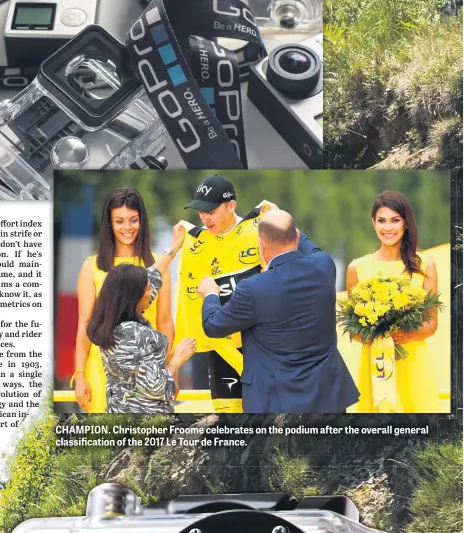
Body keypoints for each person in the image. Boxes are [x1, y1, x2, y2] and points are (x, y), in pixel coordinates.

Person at [199, 210, 359, 413]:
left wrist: (211, 295)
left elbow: (213, 325)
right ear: (297, 236)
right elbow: (311, 248)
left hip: (275, 403)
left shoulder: (253, 289)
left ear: (262, 244)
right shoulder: (324, 266)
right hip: (327, 397)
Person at [174, 175, 273, 413]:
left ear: (231, 205)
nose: (205, 217)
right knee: (229, 425)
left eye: (211, 210)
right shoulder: (196, 244)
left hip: (261, 345)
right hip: (222, 349)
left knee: (269, 420)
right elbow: (187, 300)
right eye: (200, 211)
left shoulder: (260, 230)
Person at [73, 188, 176, 413]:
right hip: (102, 368)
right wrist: (79, 375)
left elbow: (165, 320)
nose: (127, 228)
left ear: (142, 221)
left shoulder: (159, 264)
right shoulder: (92, 267)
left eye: (133, 220)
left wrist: (168, 368)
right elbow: (84, 325)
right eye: (119, 221)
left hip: (147, 371)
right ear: (109, 223)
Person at [347, 191, 439, 413]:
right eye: (382, 221)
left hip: (414, 362)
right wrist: (376, 334)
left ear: (406, 223)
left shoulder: (425, 265)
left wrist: (403, 335)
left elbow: (431, 324)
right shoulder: (356, 268)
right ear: (373, 223)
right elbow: (353, 329)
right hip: (374, 365)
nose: (388, 228)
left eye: (395, 220)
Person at [86, 243, 196, 413]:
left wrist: (173, 248)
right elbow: (157, 387)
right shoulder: (132, 334)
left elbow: (152, 276)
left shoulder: (115, 321)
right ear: (134, 296)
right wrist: (178, 359)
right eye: (147, 287)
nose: (152, 289)